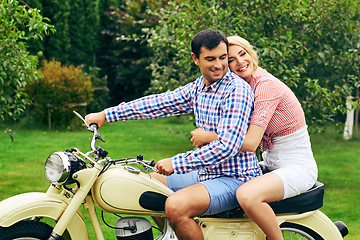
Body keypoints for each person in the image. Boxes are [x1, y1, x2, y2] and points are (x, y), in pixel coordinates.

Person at [85, 30, 262, 240]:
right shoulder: (199, 88)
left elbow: (227, 146)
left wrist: (176, 163)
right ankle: (172, 236)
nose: (218, 65)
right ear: (195, 59)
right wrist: (107, 115)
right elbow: (158, 103)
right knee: (147, 185)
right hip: (206, 172)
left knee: (176, 206)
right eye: (210, 59)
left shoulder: (236, 91)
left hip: (235, 179)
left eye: (223, 58)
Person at [190, 36, 318, 240]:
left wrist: (210, 136)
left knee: (246, 195)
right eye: (231, 59)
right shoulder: (242, 86)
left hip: (298, 167)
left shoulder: (266, 86)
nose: (240, 62)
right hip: (271, 163)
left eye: (243, 54)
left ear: (251, 54)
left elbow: (250, 143)